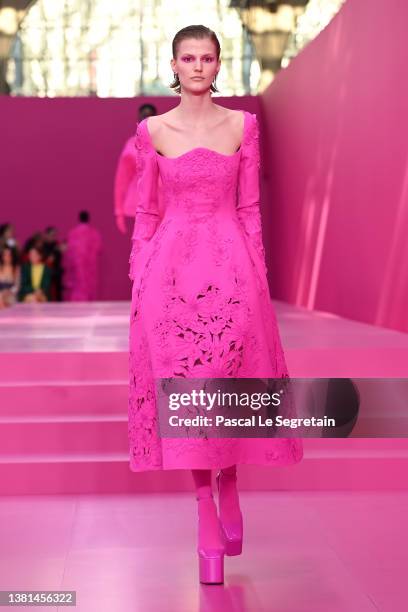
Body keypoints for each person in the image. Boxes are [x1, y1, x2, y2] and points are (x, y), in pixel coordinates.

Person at [128, 25, 303, 585]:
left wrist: (259, 274)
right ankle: (204, 507)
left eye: (207, 58)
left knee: (227, 381)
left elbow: (250, 209)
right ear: (174, 65)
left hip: (232, 268)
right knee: (187, 386)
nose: (198, 66)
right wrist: (138, 278)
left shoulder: (243, 127)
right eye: (188, 58)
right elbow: (147, 214)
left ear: (218, 65)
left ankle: (230, 481)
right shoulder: (151, 131)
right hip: (170, 274)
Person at [113, 103, 158, 234]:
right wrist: (119, 211)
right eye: (144, 115)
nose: (146, 118)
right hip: (137, 204)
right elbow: (122, 180)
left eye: (150, 116)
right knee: (141, 244)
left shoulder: (164, 141)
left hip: (162, 203)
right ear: (138, 117)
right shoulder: (130, 145)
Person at [63, 211, 102, 301]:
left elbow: (69, 251)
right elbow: (99, 249)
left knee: (78, 285)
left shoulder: (73, 233)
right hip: (90, 266)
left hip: (77, 265)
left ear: (79, 219)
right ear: (88, 219)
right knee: (89, 285)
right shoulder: (94, 233)